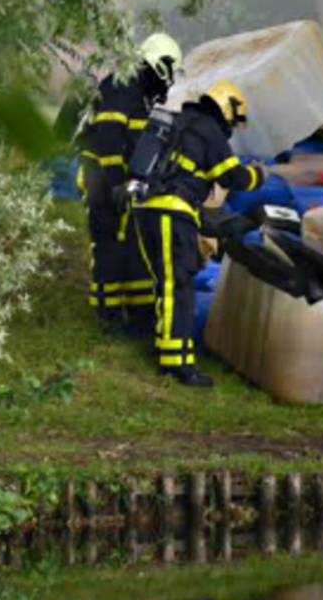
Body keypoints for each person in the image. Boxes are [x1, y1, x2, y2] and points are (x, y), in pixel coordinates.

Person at [131, 83, 266, 387]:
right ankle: (176, 364)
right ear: (227, 108)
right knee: (177, 286)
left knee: (166, 283)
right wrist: (261, 175)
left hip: (147, 210)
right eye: (233, 120)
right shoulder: (209, 131)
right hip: (171, 211)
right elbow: (234, 177)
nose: (231, 127)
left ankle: (167, 347)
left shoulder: (180, 124)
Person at [76, 33, 183, 338]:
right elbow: (108, 140)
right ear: (157, 65)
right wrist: (116, 185)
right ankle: (107, 315)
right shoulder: (122, 87)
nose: (171, 80)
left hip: (119, 179)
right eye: (170, 70)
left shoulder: (139, 92)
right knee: (109, 242)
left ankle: (136, 314)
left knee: (130, 245)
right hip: (101, 176)